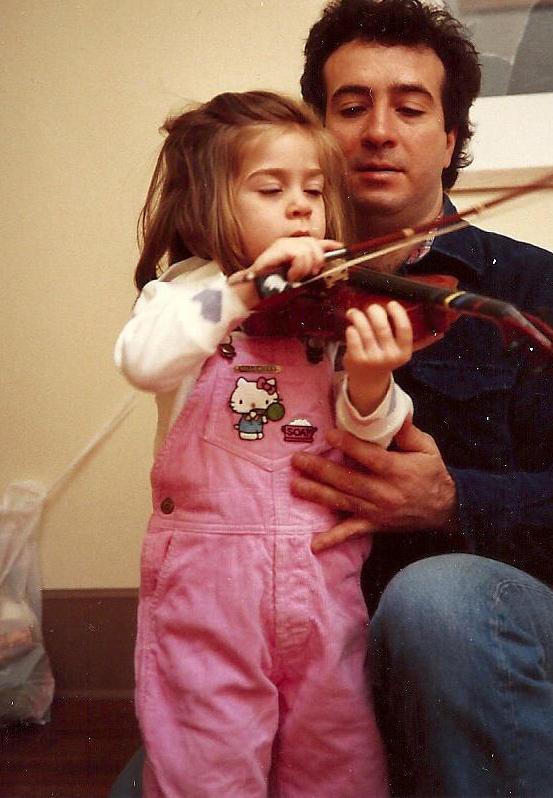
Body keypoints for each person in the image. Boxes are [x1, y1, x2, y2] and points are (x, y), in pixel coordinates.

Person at [287, 0, 553, 797]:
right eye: (350, 106)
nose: (377, 131)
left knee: (437, 602)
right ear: (314, 133)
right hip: (311, 647)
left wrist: (452, 500)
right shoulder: (271, 294)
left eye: (409, 108)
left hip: (510, 632)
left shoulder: (542, 292)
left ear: (449, 139)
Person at [114, 90, 417, 798]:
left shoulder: (328, 304)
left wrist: (372, 380)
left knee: (337, 761)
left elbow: (366, 432)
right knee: (207, 764)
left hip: (322, 579)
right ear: (208, 203)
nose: (303, 206)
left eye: (314, 189)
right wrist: (247, 288)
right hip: (208, 583)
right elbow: (143, 360)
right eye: (271, 188)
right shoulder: (186, 298)